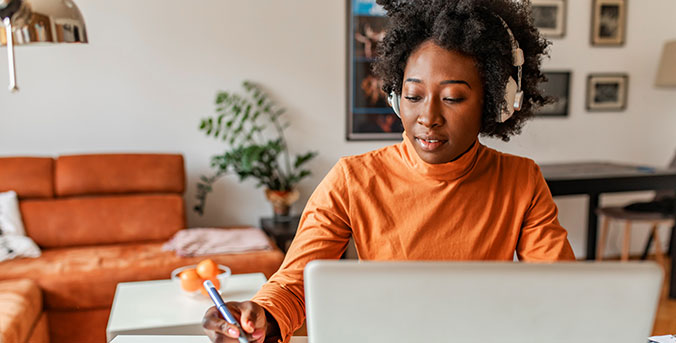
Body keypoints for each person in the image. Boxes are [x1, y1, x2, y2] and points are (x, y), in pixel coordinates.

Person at [203, 0, 575, 342]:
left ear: (494, 103)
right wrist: (262, 314)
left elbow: (561, 291)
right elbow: (295, 282)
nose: (427, 118)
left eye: (453, 98)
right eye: (413, 96)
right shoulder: (353, 179)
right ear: (397, 98)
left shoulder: (521, 181)